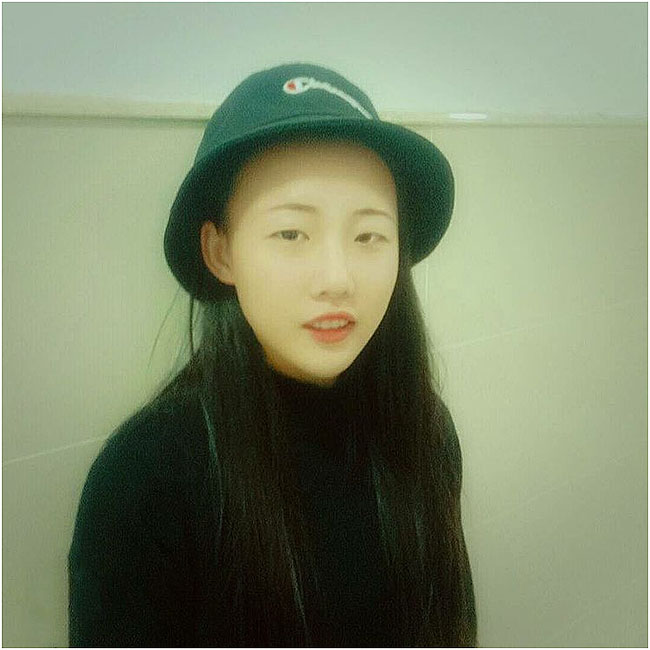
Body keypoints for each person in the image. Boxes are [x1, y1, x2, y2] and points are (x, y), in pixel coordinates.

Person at [67, 62, 478, 647]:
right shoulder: (146, 478)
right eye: (291, 234)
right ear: (221, 252)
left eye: (368, 235)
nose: (337, 279)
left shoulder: (423, 432)